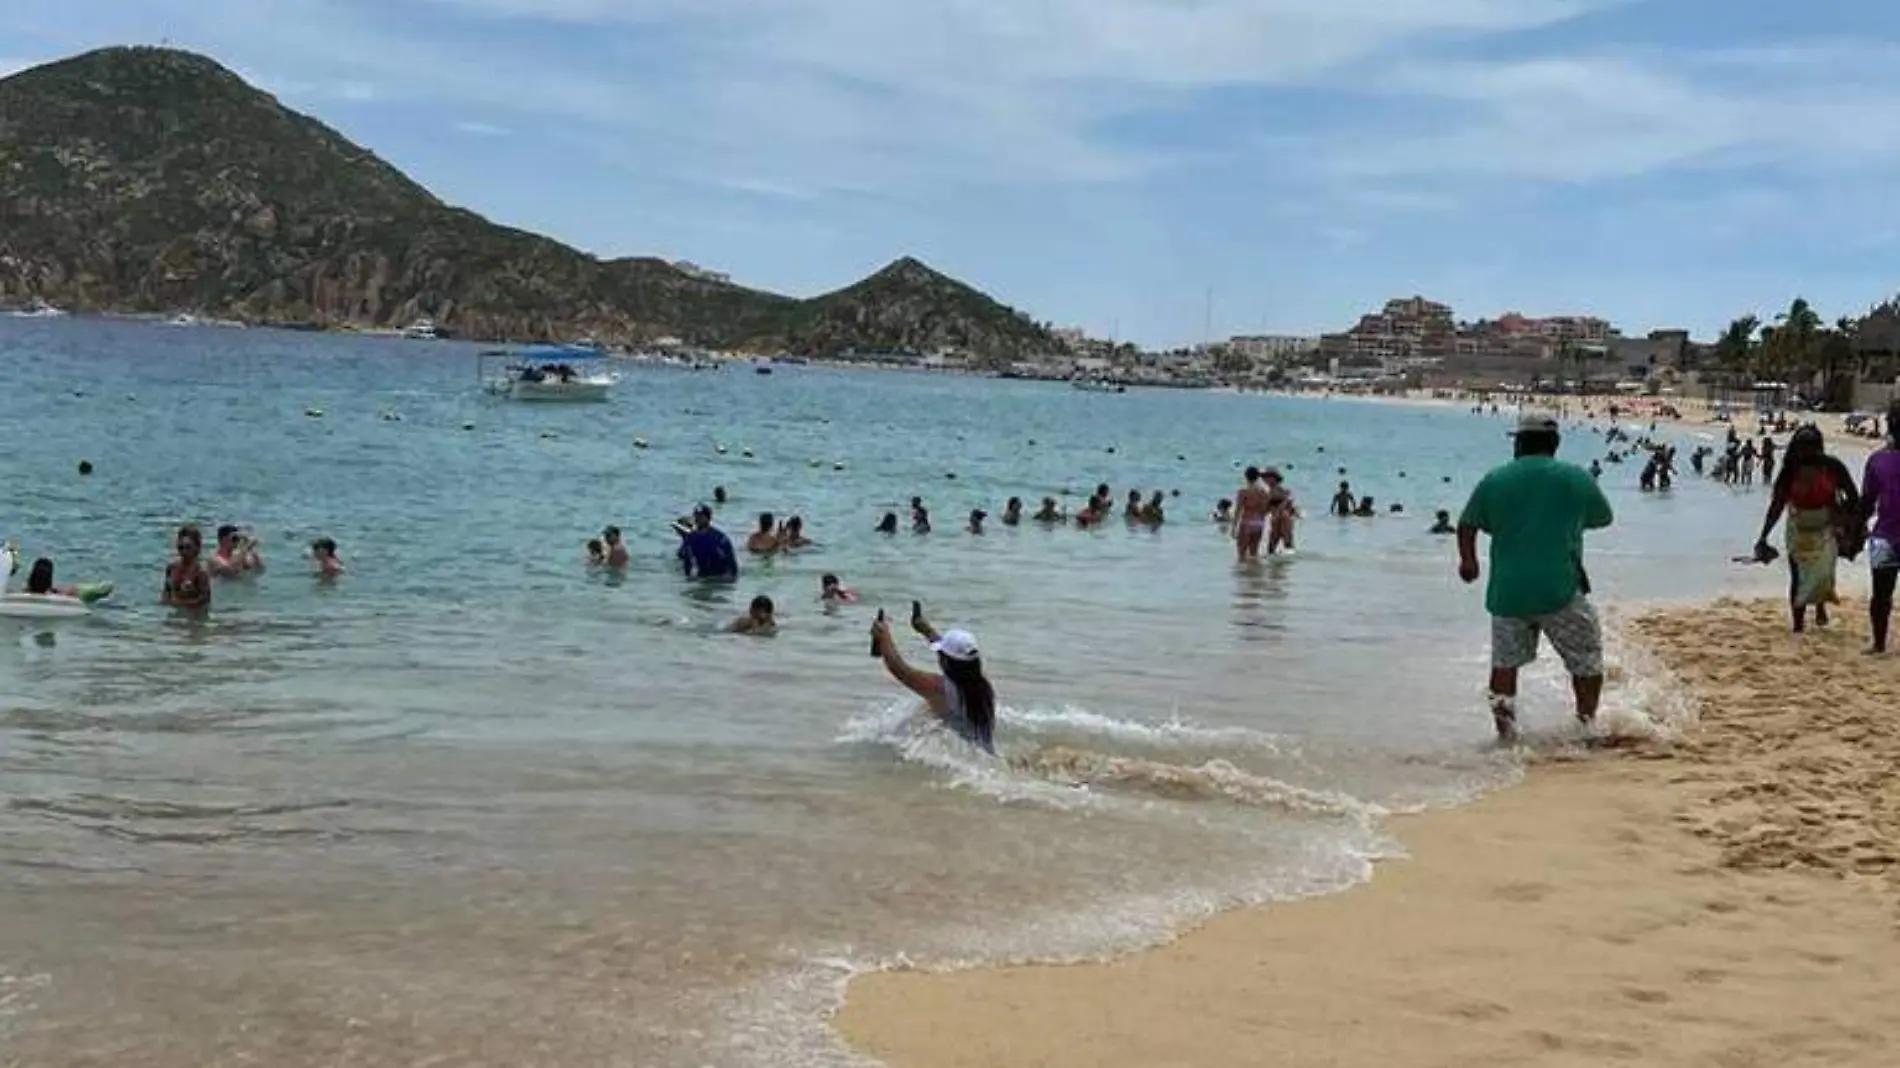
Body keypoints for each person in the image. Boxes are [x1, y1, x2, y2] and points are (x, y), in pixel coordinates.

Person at [1457, 412, 1614, 742]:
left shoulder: (1495, 479)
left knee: (1504, 665)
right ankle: (1586, 723)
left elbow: (1467, 524)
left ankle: (1506, 734)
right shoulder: (1576, 478)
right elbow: (1602, 518)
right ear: (1554, 444)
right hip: (1559, 587)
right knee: (1586, 659)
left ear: (1519, 442)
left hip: (1508, 591)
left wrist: (1468, 562)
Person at [1755, 425, 1859, 634]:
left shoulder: (1833, 467)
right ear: (1797, 449)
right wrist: (1763, 536)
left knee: (1823, 574)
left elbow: (1853, 497)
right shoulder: (1789, 471)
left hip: (1826, 527)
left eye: (1813, 448)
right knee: (1798, 576)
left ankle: (1820, 607)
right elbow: (1777, 505)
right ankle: (1798, 625)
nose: (1809, 453)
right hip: (1798, 528)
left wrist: (1848, 524)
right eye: (1805, 448)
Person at [870, 609, 996, 754]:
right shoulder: (982, 686)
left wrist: (884, 636)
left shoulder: (938, 688)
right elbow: (953, 656)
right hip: (983, 753)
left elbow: (899, 669)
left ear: (946, 662)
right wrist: (926, 630)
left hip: (964, 757)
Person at [1861, 406, 1900, 653]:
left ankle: (1878, 643)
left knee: (1881, 595)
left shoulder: (1878, 460)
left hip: (1886, 536)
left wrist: (1856, 530)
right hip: (1886, 535)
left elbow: (1867, 501)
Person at [678, 506, 739, 580]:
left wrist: (731, 576)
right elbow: (686, 559)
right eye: (696, 516)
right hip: (701, 576)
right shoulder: (691, 538)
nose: (698, 519)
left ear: (708, 518)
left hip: (719, 576)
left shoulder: (719, 537)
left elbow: (730, 560)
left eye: (701, 516)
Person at [162, 524, 212, 610]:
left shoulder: (200, 572)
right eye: (181, 548)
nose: (184, 551)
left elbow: (204, 600)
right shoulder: (171, 568)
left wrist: (180, 603)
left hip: (195, 615)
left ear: (196, 548)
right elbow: (166, 592)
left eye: (188, 548)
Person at [1263, 469, 1296, 554]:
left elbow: (1288, 502)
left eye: (1266, 477)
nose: (1264, 479)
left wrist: (1277, 511)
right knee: (1273, 547)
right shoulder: (1271, 490)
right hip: (1277, 518)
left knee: (1285, 544)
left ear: (1273, 478)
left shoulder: (1279, 490)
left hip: (1282, 518)